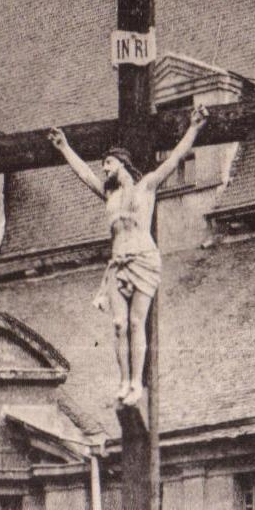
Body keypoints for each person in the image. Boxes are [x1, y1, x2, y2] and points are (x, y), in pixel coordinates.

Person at [47, 105, 210, 405]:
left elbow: (174, 159)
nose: (104, 168)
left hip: (143, 259)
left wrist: (194, 128)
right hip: (117, 265)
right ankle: (123, 382)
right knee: (118, 325)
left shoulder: (146, 186)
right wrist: (65, 147)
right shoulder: (110, 196)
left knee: (137, 323)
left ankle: (136, 382)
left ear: (122, 163)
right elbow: (84, 174)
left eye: (108, 163)